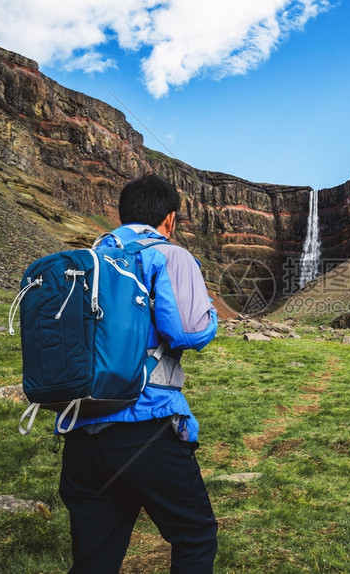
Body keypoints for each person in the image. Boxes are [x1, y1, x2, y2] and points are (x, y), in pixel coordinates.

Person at [58, 173, 219, 573]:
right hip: (145, 429)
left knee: (95, 558)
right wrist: (211, 312)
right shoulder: (168, 254)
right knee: (195, 534)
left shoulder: (89, 259)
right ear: (170, 219)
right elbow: (188, 332)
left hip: (82, 432)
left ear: (122, 214)